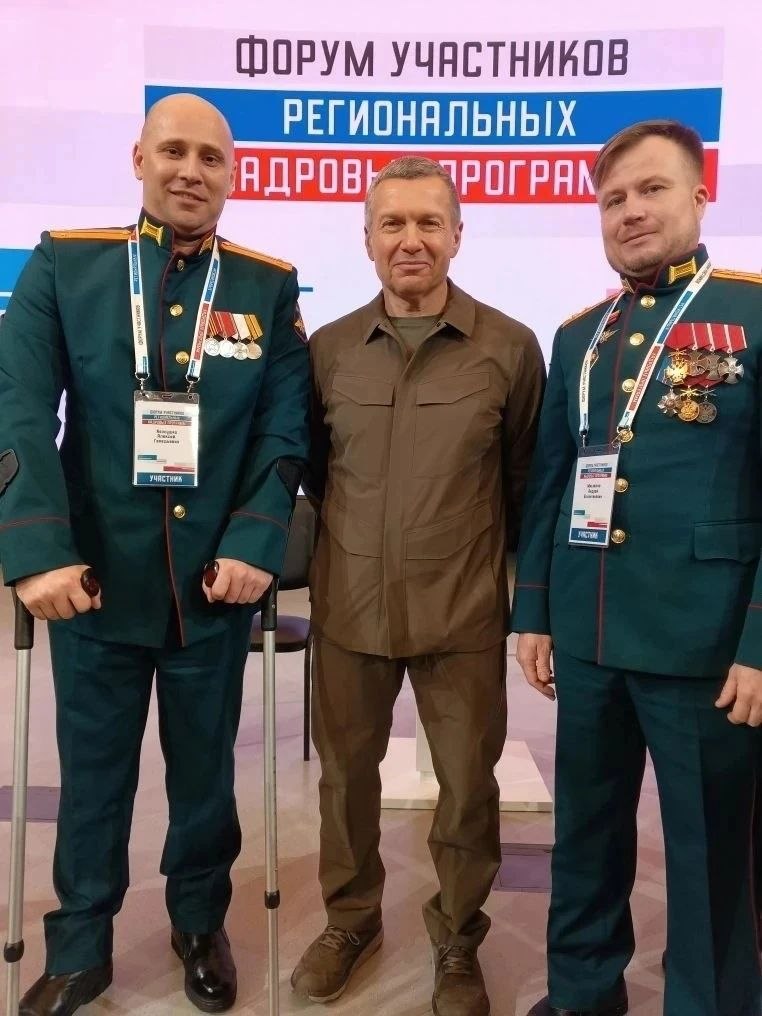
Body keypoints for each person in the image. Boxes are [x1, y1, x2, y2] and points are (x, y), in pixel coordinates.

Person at [0, 93, 310, 1015]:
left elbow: (283, 431)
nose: (191, 171)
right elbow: (18, 407)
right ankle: (79, 947)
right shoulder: (67, 263)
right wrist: (36, 551)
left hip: (211, 586)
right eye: (173, 151)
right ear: (139, 158)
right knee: (92, 779)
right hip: (92, 582)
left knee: (206, 780)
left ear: (233, 173)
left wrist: (256, 542)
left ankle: (198, 924)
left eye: (211, 157)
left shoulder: (265, 285)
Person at [513, 119, 762, 1016]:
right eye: (613, 198)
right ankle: (583, 993)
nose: (630, 211)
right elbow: (552, 481)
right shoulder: (581, 333)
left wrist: (759, 643)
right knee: (584, 835)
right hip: (589, 634)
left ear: (701, 193)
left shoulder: (753, 314)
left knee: (707, 852)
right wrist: (533, 612)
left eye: (652, 189)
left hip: (706, 643)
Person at [291, 156, 545, 1016]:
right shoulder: (329, 351)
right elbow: (319, 473)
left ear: (457, 236)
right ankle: (350, 921)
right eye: (392, 223)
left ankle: (458, 936)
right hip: (350, 611)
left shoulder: (509, 348)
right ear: (367, 239)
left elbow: (524, 484)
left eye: (429, 222)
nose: (411, 239)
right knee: (344, 781)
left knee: (468, 789)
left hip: (463, 614)